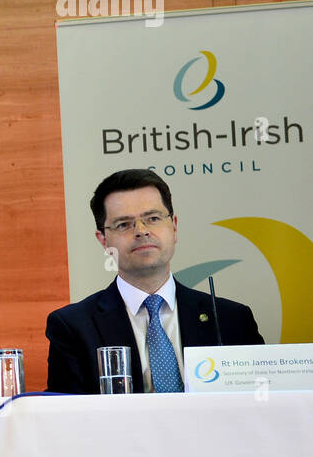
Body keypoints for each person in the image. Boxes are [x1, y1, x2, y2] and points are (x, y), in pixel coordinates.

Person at [46, 169, 263, 394]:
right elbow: (66, 421)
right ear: (103, 240)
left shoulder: (232, 320)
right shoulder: (73, 328)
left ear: (174, 226)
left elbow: (264, 411)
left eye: (153, 218)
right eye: (123, 224)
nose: (141, 231)